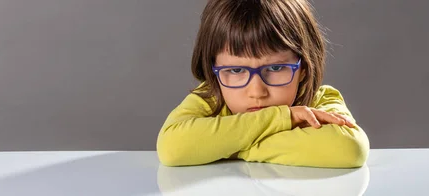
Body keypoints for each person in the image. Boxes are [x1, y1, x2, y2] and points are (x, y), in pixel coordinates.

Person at [156, 0, 369, 168]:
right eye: (236, 70)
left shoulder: (320, 101)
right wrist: (285, 118)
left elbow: (350, 148)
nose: (257, 91)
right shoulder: (210, 98)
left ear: (303, 67)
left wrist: (230, 148)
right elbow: (172, 148)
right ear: (213, 69)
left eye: (276, 68)